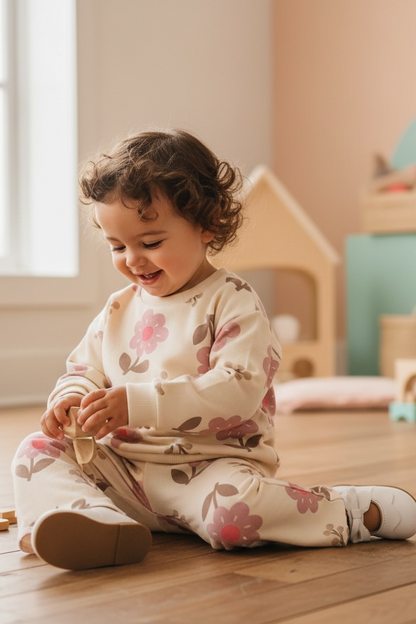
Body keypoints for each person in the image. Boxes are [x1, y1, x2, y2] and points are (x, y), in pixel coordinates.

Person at [12, 129, 416, 570]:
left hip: (209, 471)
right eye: (117, 246)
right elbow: (84, 368)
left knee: (234, 517)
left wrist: (138, 404)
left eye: (150, 243)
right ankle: (95, 520)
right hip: (125, 472)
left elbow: (237, 391)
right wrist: (70, 399)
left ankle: (347, 510)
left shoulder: (233, 301)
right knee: (35, 450)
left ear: (209, 223)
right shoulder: (117, 308)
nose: (132, 259)